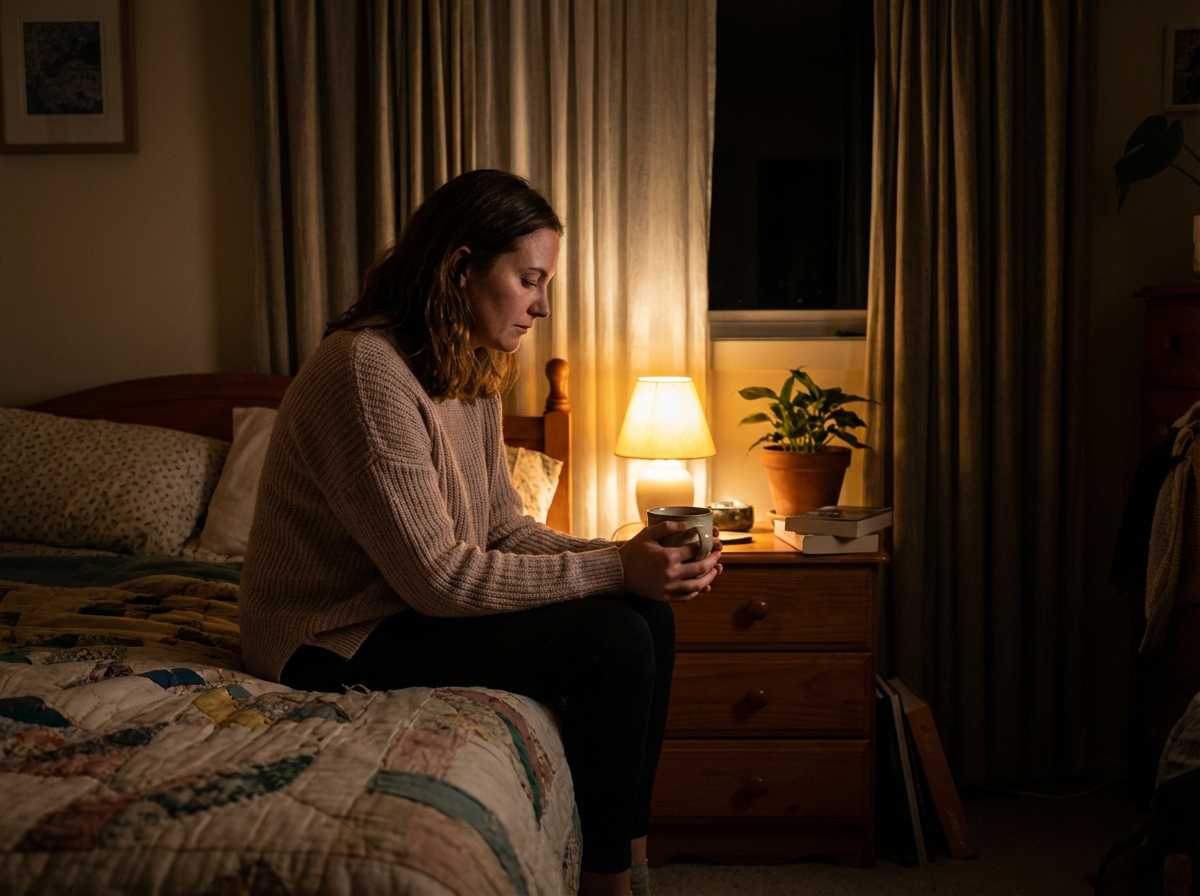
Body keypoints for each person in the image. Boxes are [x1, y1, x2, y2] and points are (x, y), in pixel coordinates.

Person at [239, 168, 723, 896]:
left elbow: (501, 527)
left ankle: (630, 859)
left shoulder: (466, 362)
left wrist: (629, 559)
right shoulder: (366, 372)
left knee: (648, 617)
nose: (544, 306)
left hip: (400, 610)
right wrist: (613, 570)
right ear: (461, 267)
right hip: (328, 639)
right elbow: (440, 578)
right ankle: (608, 885)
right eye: (530, 280)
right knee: (613, 637)